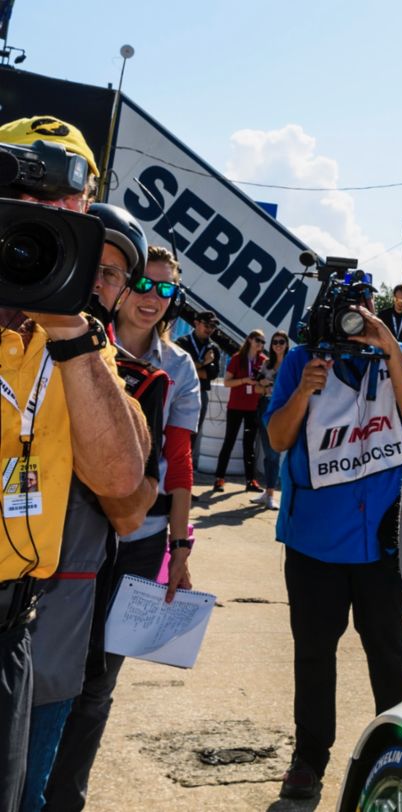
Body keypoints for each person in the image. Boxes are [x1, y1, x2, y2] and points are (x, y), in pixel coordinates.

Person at [0, 116, 149, 811]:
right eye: (24, 205)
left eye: (65, 213)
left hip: (12, 627)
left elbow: (123, 483)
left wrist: (63, 324)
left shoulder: (85, 353)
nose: (42, 226)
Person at [45, 242, 202, 811]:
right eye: (145, 285)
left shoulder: (179, 367)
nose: (153, 299)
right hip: (70, 533)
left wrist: (179, 545)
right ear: (124, 287)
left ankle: (67, 797)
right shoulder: (82, 337)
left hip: (138, 541)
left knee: (98, 684)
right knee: (52, 673)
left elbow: (179, 463)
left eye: (166, 291)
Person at [264, 296, 402, 799]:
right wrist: (305, 391)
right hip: (315, 541)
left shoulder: (397, 355)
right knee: (313, 652)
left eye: (363, 311)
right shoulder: (302, 358)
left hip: (382, 542)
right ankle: (309, 756)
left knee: (388, 653)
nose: (354, 323)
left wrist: (389, 345)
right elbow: (277, 437)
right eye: (345, 312)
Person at [212, 330, 266, 492]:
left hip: (252, 407)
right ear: (249, 340)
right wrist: (244, 380)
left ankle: (251, 481)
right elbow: (227, 383)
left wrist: (261, 383)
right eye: (258, 340)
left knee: (249, 445)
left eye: (263, 342)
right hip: (235, 406)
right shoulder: (237, 358)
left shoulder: (263, 361)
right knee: (229, 441)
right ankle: (219, 478)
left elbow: (267, 384)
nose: (260, 344)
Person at [251, 331, 289, 509]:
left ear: (286, 344)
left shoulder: (291, 364)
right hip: (266, 406)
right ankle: (268, 491)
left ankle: (271, 493)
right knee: (268, 453)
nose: (278, 345)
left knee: (275, 452)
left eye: (282, 342)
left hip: (282, 409)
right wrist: (264, 386)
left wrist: (268, 385)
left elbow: (292, 387)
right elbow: (257, 388)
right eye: (275, 342)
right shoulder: (266, 364)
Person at [177, 311, 221, 456]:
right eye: (207, 325)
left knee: (194, 431)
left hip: (201, 393)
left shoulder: (213, 348)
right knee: (176, 428)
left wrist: (195, 367)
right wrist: (204, 363)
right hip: (181, 392)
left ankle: (186, 463)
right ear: (196, 323)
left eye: (213, 326)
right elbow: (181, 367)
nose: (210, 329)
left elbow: (211, 375)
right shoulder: (183, 342)